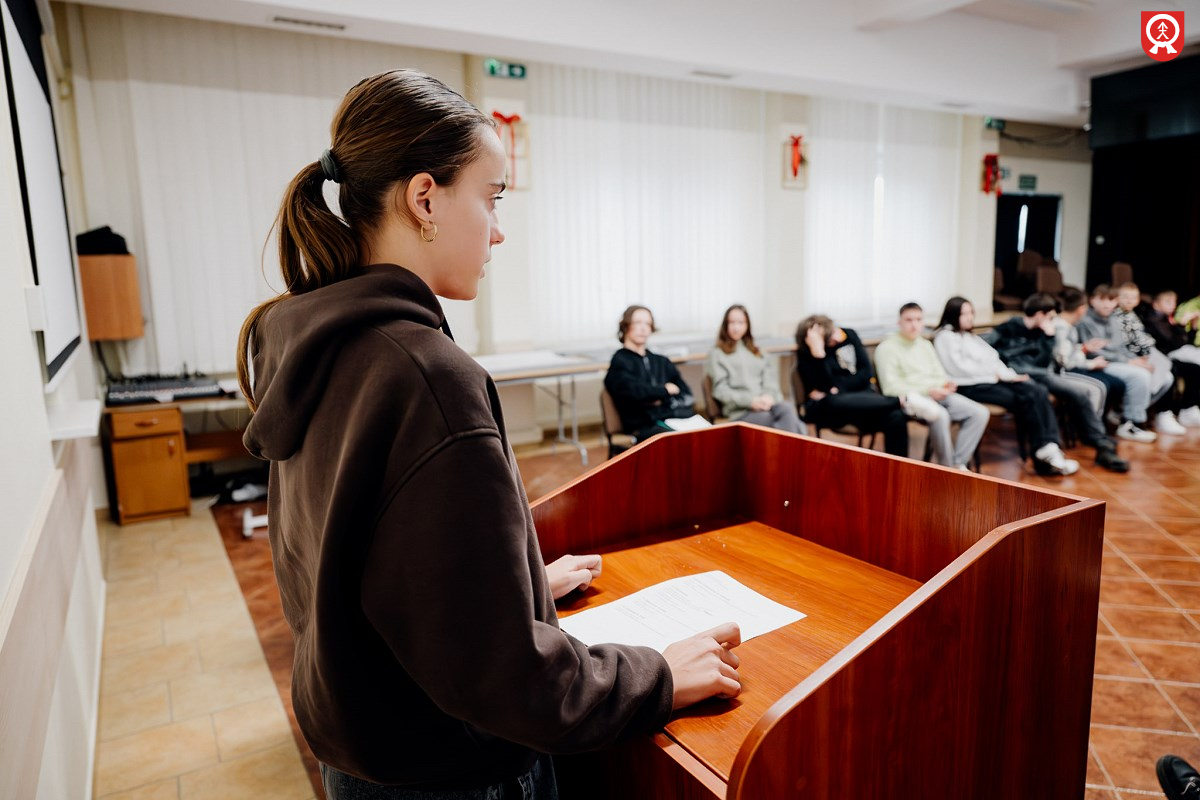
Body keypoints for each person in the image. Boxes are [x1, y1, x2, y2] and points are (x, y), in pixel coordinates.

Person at [236, 70, 741, 800]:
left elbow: (361, 563)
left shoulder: (318, 345)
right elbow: (511, 682)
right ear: (424, 199)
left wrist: (515, 587)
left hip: (363, 750)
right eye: (492, 197)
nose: (499, 229)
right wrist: (658, 675)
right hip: (447, 771)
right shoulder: (426, 375)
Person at [932, 296, 1079, 476]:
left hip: (991, 379)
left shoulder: (969, 336)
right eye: (965, 314)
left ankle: (1050, 447)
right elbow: (958, 368)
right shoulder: (945, 337)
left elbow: (993, 358)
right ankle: (1043, 454)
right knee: (1025, 398)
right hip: (969, 386)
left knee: (1037, 390)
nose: (970, 317)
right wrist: (993, 374)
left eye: (971, 313)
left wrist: (1010, 375)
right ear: (953, 314)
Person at [989, 293, 1129, 473]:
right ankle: (1056, 449)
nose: (1052, 321)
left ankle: (1100, 443)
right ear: (1039, 314)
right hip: (1019, 375)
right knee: (1048, 395)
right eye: (1050, 317)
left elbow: (1042, 363)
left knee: (1080, 393)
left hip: (1041, 374)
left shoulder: (1044, 332)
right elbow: (984, 346)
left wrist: (1049, 338)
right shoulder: (1009, 327)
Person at [873, 302, 989, 470]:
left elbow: (939, 374)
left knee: (980, 413)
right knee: (941, 416)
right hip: (913, 399)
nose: (914, 325)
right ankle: (946, 468)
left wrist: (946, 385)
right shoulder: (886, 348)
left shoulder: (925, 345)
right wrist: (927, 391)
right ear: (899, 322)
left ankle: (958, 463)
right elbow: (890, 388)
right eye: (909, 320)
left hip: (938, 394)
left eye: (918, 319)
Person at [795, 314, 909, 457]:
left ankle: (898, 466)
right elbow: (825, 386)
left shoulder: (849, 335)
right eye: (828, 337)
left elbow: (866, 373)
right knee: (832, 400)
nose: (836, 338)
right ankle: (900, 401)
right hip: (831, 411)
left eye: (833, 331)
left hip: (862, 401)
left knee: (896, 416)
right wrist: (818, 353)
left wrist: (838, 388)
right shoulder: (807, 353)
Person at [1074, 284, 1161, 441]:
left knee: (1163, 376)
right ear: (1092, 301)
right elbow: (1094, 351)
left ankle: (1122, 413)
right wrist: (1129, 361)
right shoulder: (1084, 321)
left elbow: (1121, 347)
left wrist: (1136, 359)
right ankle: (1131, 423)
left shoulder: (1114, 319)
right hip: (1099, 362)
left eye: (1111, 300)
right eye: (1102, 300)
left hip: (1119, 361)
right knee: (1140, 376)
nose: (1107, 304)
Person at [604, 305, 700, 442]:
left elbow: (686, 394)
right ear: (625, 326)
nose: (643, 328)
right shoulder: (620, 362)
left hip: (673, 420)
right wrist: (665, 390)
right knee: (679, 441)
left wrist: (654, 396)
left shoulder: (661, 361)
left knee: (708, 435)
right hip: (644, 427)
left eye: (647, 324)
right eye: (637, 322)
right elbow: (634, 394)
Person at [705, 304, 805, 434]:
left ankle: (789, 446)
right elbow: (720, 390)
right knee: (774, 421)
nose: (736, 327)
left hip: (766, 404)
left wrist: (769, 396)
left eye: (740, 322)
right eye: (732, 322)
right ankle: (794, 445)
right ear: (725, 325)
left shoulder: (757, 351)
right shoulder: (717, 354)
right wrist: (751, 401)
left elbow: (770, 381)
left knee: (787, 408)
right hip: (741, 411)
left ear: (747, 325)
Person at [1140, 290, 1200, 426]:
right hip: (1161, 358)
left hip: (1172, 355)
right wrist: (1181, 324)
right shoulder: (1152, 319)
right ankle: (1163, 413)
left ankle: (1188, 409)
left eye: (1174, 302)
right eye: (1168, 302)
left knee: (1195, 369)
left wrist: (1193, 327)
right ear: (1156, 304)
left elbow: (1185, 341)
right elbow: (1174, 343)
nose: (1173, 305)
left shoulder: (1167, 319)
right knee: (1173, 371)